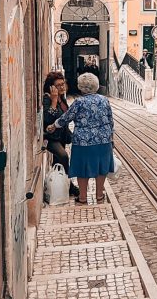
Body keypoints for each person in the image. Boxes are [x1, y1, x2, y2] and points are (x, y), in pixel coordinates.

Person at [47, 72, 115, 204]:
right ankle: (99, 196)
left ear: (80, 87)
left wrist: (54, 125)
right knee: (101, 168)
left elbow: (66, 118)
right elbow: (110, 121)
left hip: (83, 142)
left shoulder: (79, 102)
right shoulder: (104, 100)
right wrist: (111, 138)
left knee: (82, 169)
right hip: (103, 141)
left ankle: (83, 197)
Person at [42, 71, 78, 197]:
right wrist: (53, 100)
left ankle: (58, 188)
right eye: (58, 85)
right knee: (63, 157)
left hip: (61, 135)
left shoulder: (62, 98)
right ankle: (70, 186)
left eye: (63, 84)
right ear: (51, 87)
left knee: (57, 163)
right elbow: (47, 118)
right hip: (51, 138)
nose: (62, 87)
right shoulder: (47, 98)